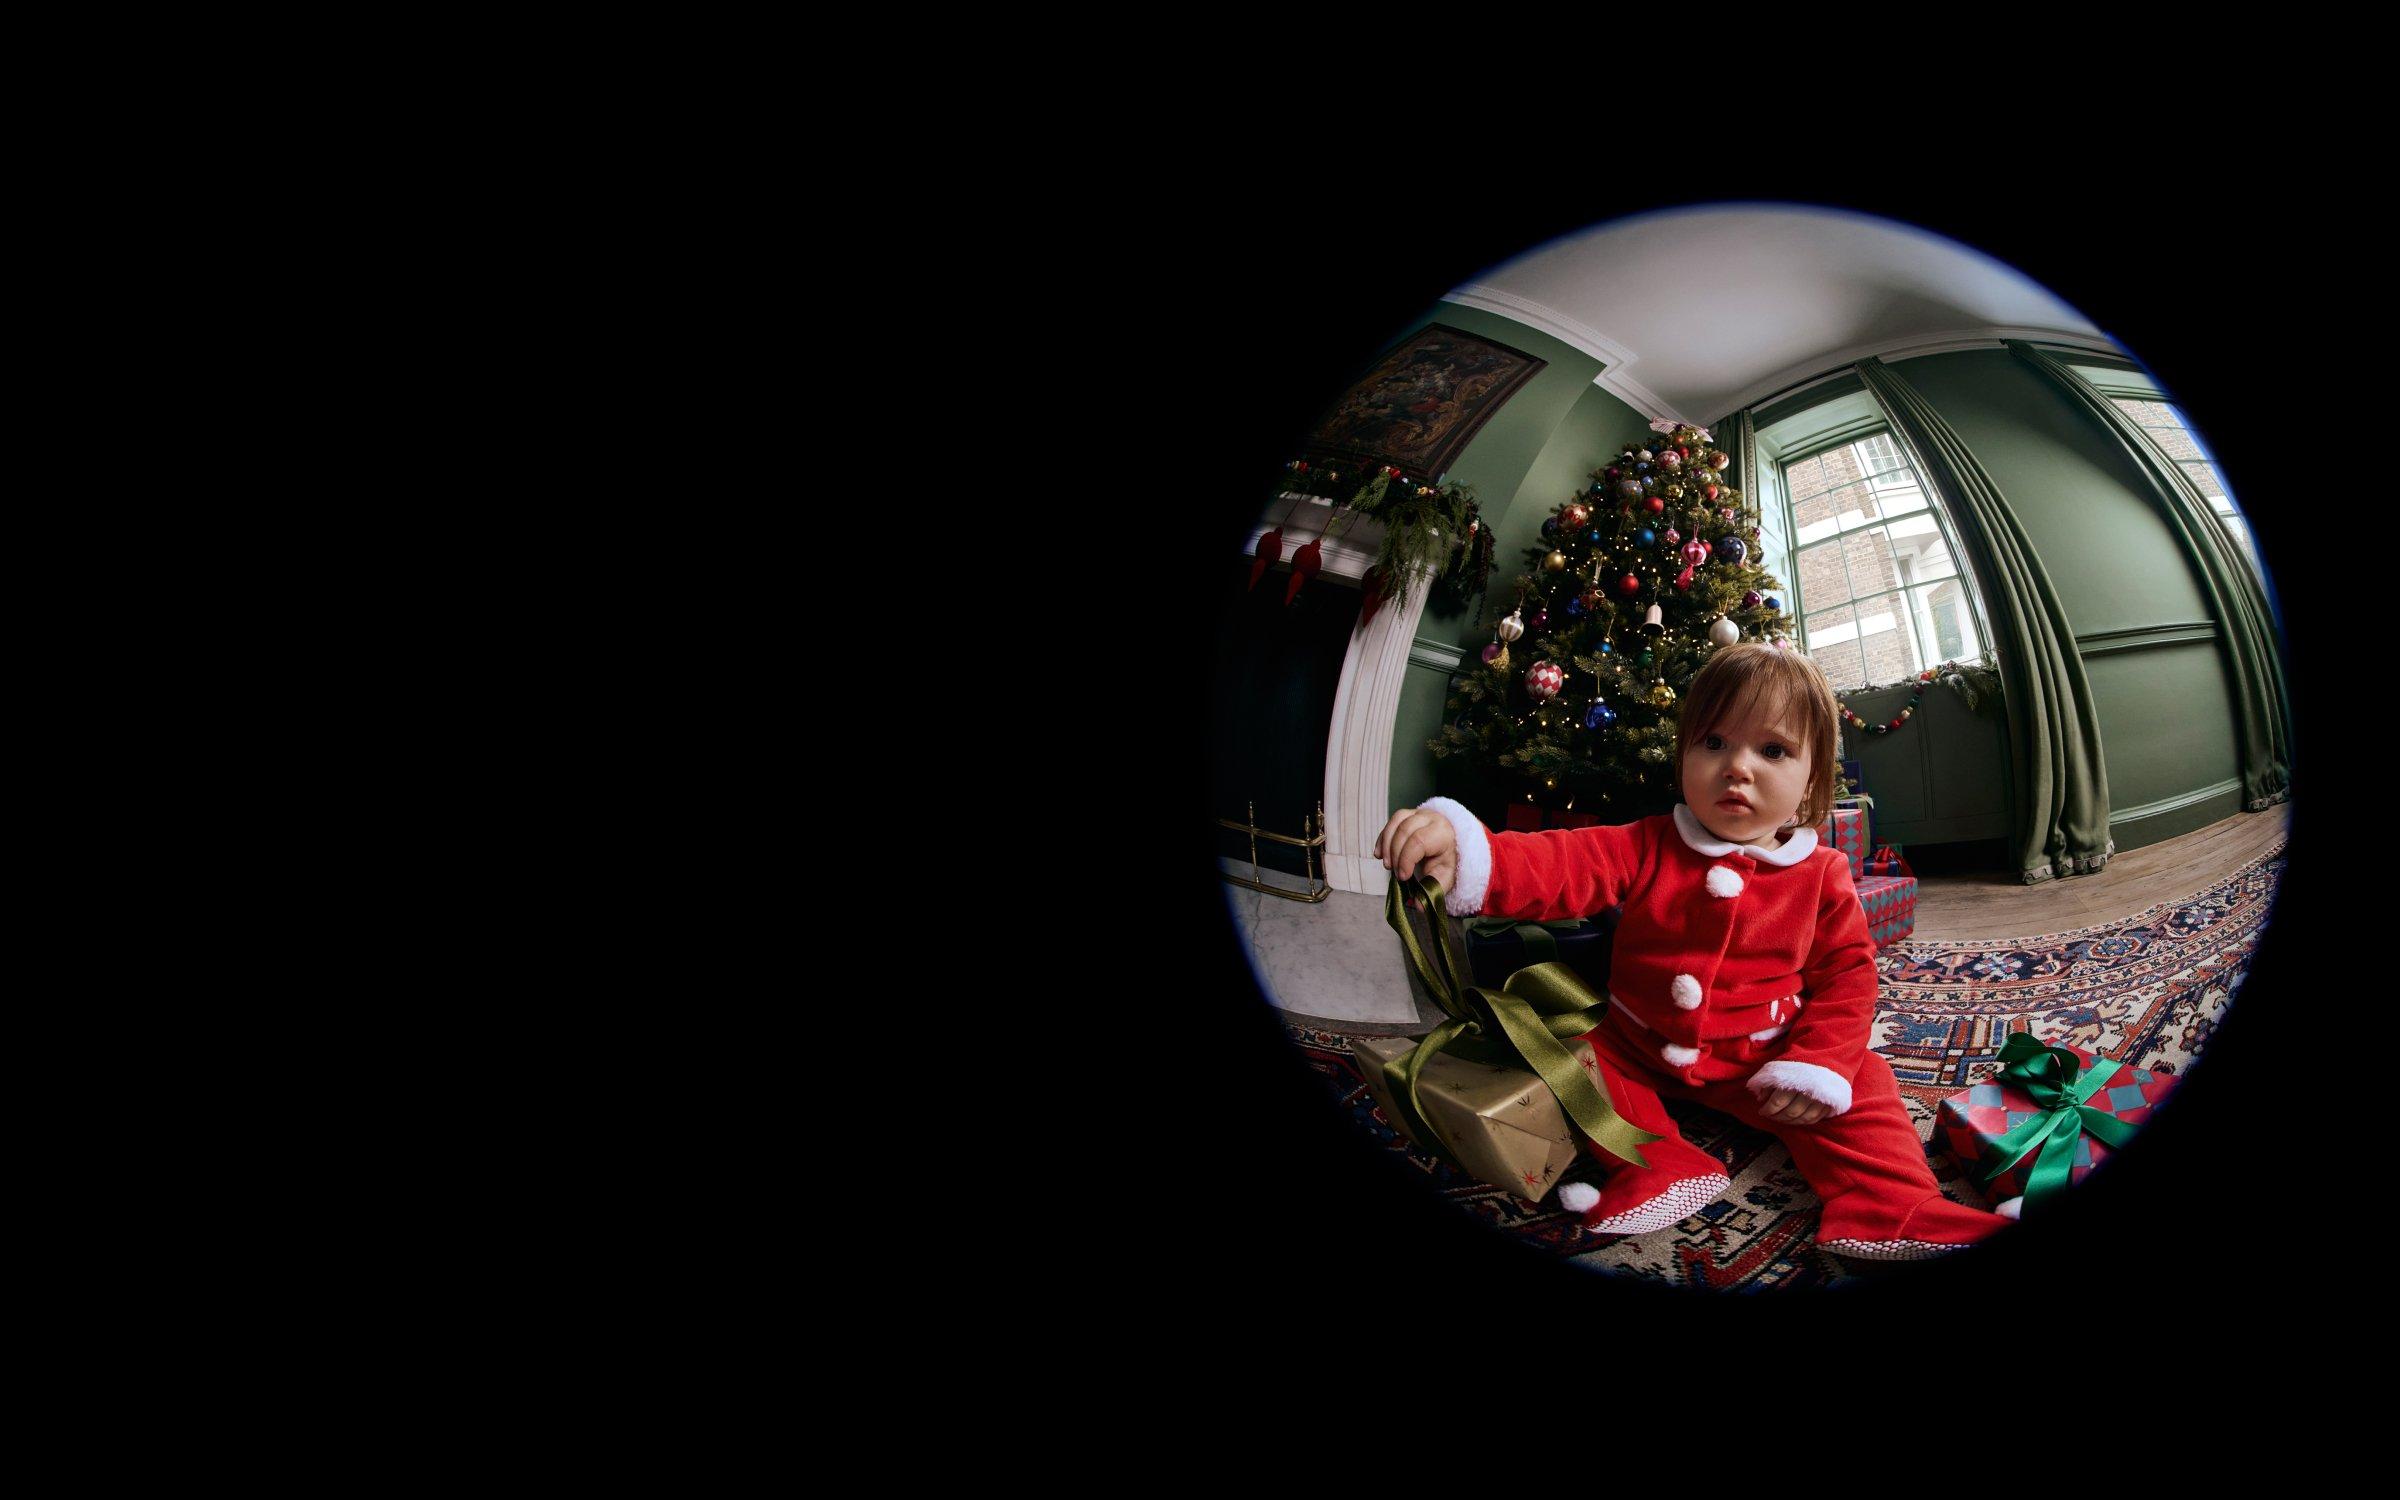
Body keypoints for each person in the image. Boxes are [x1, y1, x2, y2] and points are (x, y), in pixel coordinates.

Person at [1374, 641, 2015, 1260]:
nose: (1738, 767)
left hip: (1763, 1054)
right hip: (1640, 1042)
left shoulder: (1821, 874)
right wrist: (1469, 847)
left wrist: (1818, 1060)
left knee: (1862, 1081)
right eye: (1714, 743)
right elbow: (1561, 861)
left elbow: (1849, 975)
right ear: (1684, 754)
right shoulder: (1647, 843)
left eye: (1772, 749)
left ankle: (1891, 1205)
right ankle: (1660, 1162)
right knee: (1573, 1054)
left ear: (1812, 776)